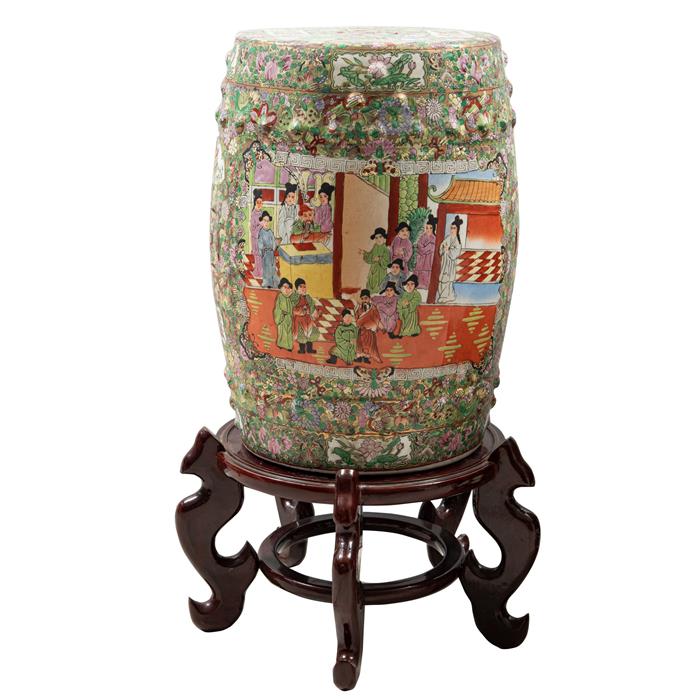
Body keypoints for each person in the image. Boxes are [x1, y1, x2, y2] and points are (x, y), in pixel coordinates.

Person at [437, 215, 464, 303]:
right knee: (442, 279)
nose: (452, 230)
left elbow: (455, 253)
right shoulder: (448, 238)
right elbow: (441, 246)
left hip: (450, 263)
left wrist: (448, 250)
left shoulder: (457, 242)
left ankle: (447, 296)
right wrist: (443, 248)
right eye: (451, 228)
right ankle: (445, 295)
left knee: (448, 280)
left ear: (457, 229)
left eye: (454, 228)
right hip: (445, 262)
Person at [355, 289, 384, 363]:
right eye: (362, 299)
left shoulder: (373, 308)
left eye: (366, 298)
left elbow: (377, 319)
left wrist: (382, 327)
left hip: (369, 331)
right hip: (361, 331)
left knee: (368, 344)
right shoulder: (359, 308)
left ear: (369, 298)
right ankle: (360, 357)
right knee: (360, 344)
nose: (364, 300)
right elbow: (357, 318)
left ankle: (366, 358)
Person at [292, 278, 320, 354]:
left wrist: (314, 311)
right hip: (299, 320)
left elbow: (312, 306)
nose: (303, 288)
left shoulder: (308, 297)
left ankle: (309, 349)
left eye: (304, 287)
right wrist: (302, 310)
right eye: (300, 287)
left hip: (308, 319)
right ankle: (302, 350)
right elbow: (293, 308)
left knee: (311, 333)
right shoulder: (294, 297)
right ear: (297, 288)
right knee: (301, 335)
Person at [361, 228, 390, 294]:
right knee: (371, 285)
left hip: (380, 272)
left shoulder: (385, 249)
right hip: (373, 270)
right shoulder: (375, 246)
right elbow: (370, 257)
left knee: (379, 287)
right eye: (376, 238)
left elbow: (387, 263)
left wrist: (379, 259)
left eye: (380, 237)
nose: (378, 239)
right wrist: (364, 253)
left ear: (384, 238)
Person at [414, 214, 437, 289]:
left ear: (433, 228)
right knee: (419, 272)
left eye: (430, 228)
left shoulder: (434, 238)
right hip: (421, 259)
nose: (428, 230)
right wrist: (424, 249)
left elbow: (431, 247)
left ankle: (426, 285)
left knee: (427, 272)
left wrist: (425, 248)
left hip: (429, 259)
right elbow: (419, 246)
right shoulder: (423, 236)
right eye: (427, 228)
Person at [257, 211, 279, 288]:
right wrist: (262, 251)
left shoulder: (270, 232)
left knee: (273, 267)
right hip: (265, 253)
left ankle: (273, 283)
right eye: (264, 220)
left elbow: (274, 242)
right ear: (262, 221)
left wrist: (274, 247)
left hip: (271, 253)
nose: (266, 222)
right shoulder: (261, 232)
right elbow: (260, 244)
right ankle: (267, 283)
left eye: (267, 221)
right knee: (267, 268)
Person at [273, 277, 295, 351]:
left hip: (289, 318)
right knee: (283, 332)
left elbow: (292, 306)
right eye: (285, 287)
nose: (286, 289)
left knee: (289, 333)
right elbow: (280, 308)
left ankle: (289, 346)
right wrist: (282, 313)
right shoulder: (280, 296)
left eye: (288, 288)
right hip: (282, 318)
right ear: (281, 288)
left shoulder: (288, 298)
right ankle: (281, 344)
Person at [250, 188, 265, 278]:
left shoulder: (262, 213)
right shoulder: (253, 214)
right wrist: (260, 225)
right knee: (257, 256)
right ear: (255, 203)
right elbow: (252, 230)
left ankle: (261, 271)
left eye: (261, 202)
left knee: (262, 255)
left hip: (262, 238)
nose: (259, 204)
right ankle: (257, 272)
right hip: (255, 238)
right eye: (257, 202)